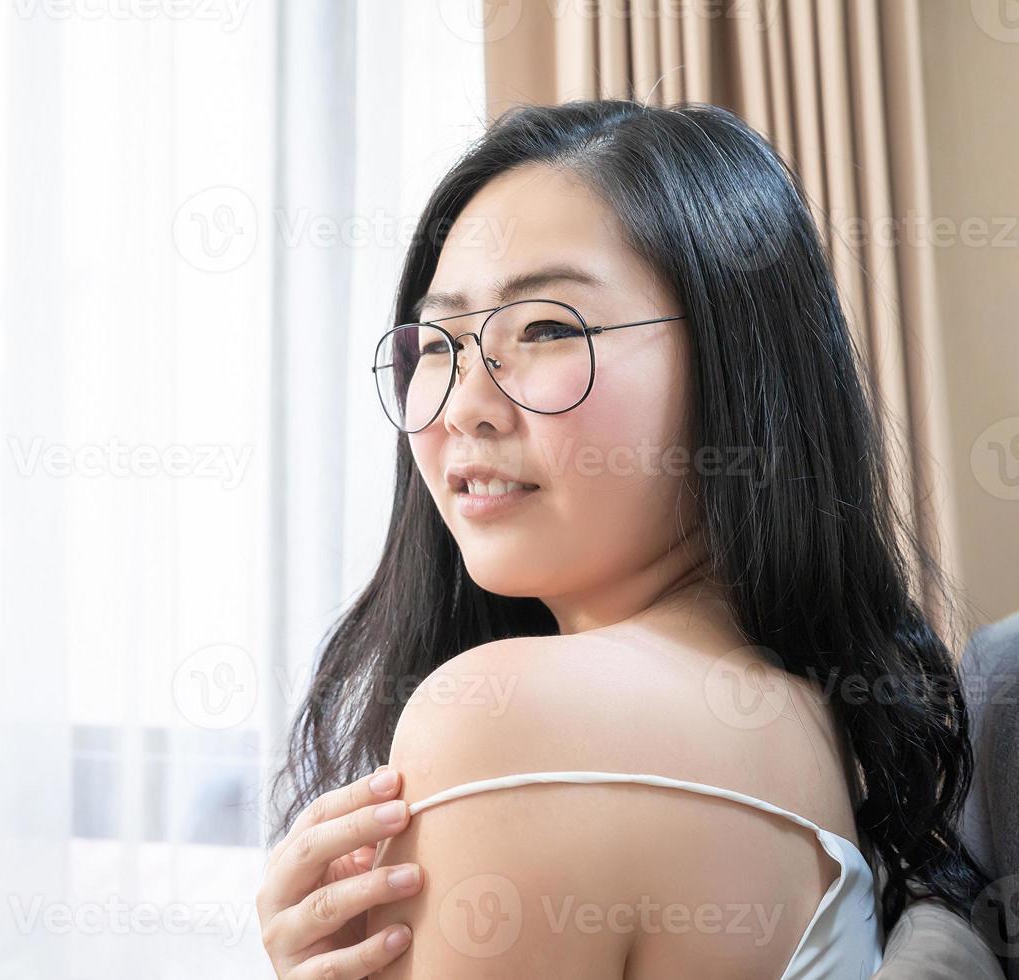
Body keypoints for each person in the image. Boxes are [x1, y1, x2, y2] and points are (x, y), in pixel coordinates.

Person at [255, 99, 988, 979]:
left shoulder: (510, 723)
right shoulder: (812, 720)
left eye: (547, 330)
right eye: (439, 344)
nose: (463, 407)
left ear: (738, 365)